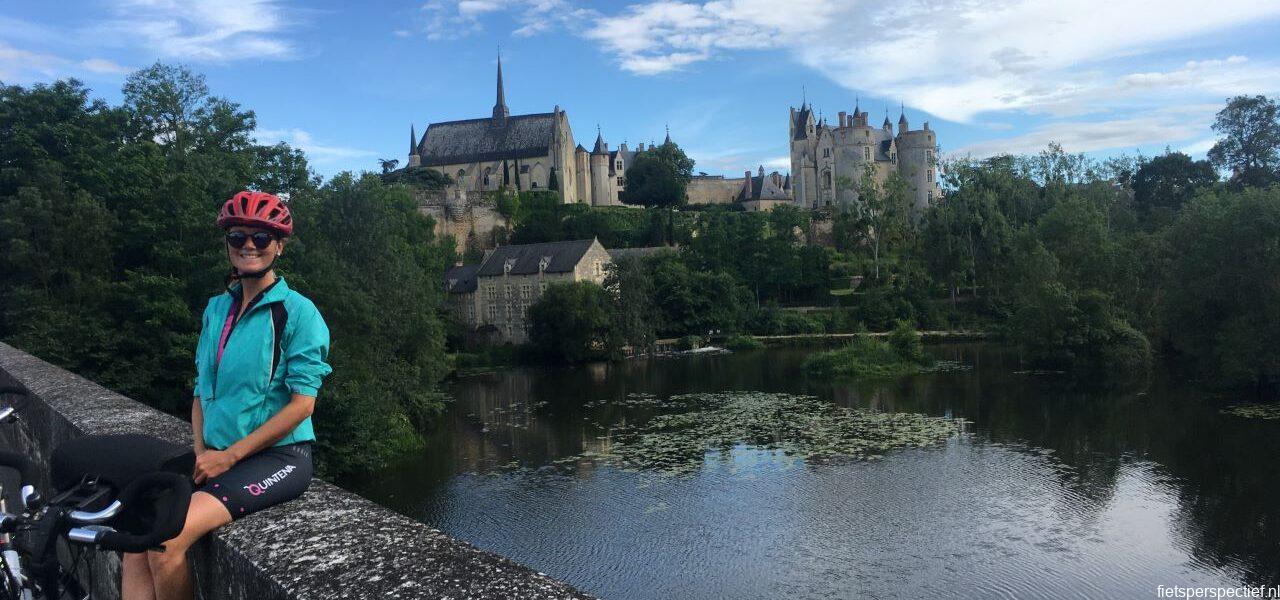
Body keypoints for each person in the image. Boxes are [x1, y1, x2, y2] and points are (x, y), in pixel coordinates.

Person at [122, 191, 332, 600]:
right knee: (137, 539)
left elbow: (303, 405)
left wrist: (229, 457)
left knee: (166, 543)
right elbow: (202, 390)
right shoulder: (216, 309)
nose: (249, 246)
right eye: (238, 238)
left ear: (279, 246)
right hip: (215, 454)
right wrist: (202, 451)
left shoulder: (299, 312)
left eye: (261, 238)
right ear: (227, 245)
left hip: (277, 458)